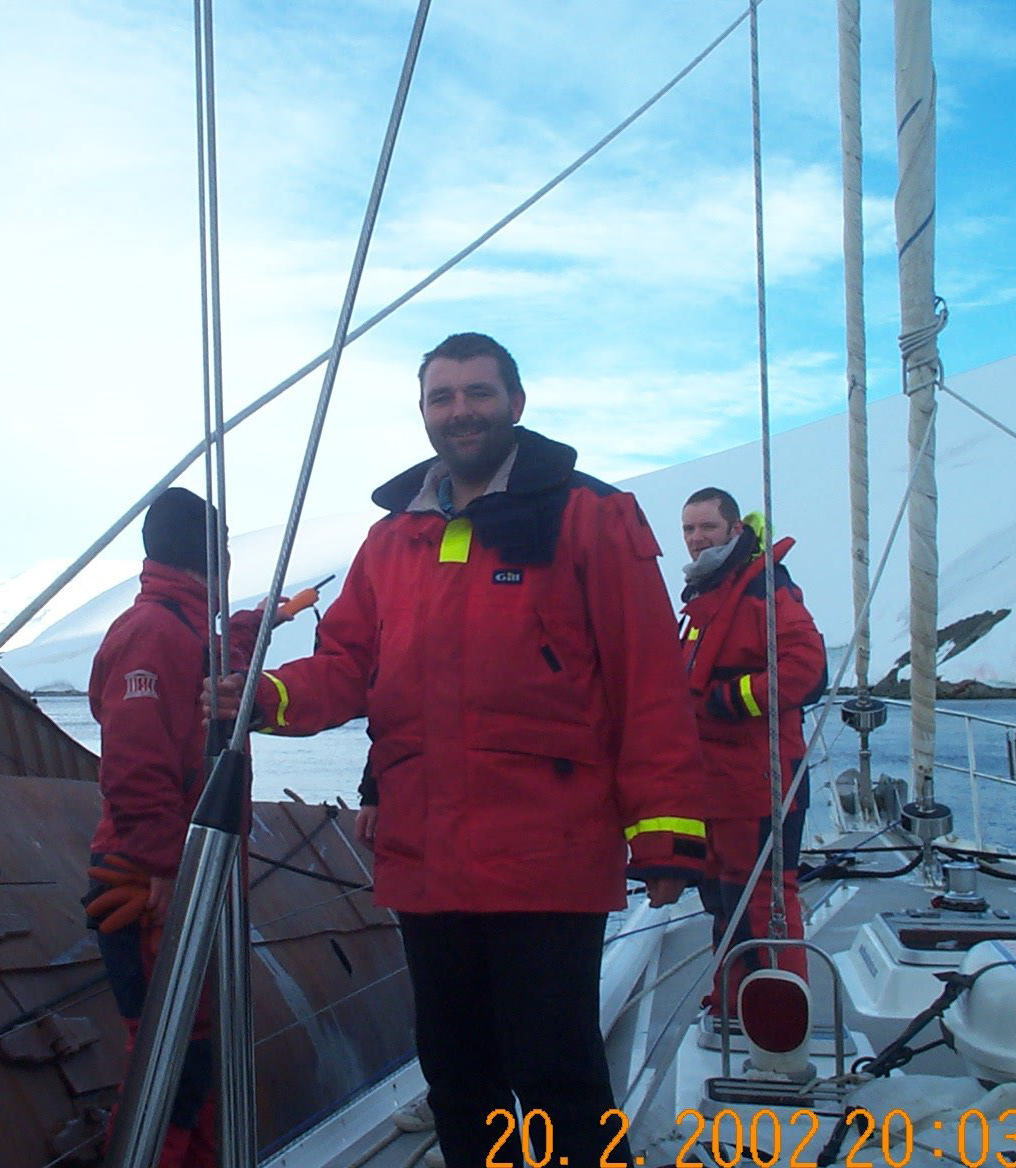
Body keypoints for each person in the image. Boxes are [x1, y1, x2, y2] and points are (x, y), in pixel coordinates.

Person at [214, 332, 707, 1168]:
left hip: (547, 856)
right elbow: (347, 667)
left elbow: (649, 681)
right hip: (429, 858)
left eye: (478, 393)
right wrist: (266, 698)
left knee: (557, 1077)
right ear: (423, 413)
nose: (460, 411)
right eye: (442, 397)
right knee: (457, 1076)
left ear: (516, 403)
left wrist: (666, 832)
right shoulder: (391, 541)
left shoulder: (593, 517)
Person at [85, 487, 277, 1168]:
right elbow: (134, 767)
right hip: (150, 887)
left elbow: (211, 662)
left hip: (186, 879)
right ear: (212, 554)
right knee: (172, 1070)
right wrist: (169, 870)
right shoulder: (154, 633)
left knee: (197, 1066)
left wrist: (259, 622)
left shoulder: (180, 628)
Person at [679, 487, 827, 1007]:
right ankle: (734, 997)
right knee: (723, 896)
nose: (697, 538)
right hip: (718, 784)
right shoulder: (709, 594)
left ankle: (778, 1021)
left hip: (760, 780)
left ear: (735, 530)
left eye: (708, 527)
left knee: (763, 901)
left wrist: (727, 700)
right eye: (689, 529)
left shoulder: (764, 589)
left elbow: (808, 670)